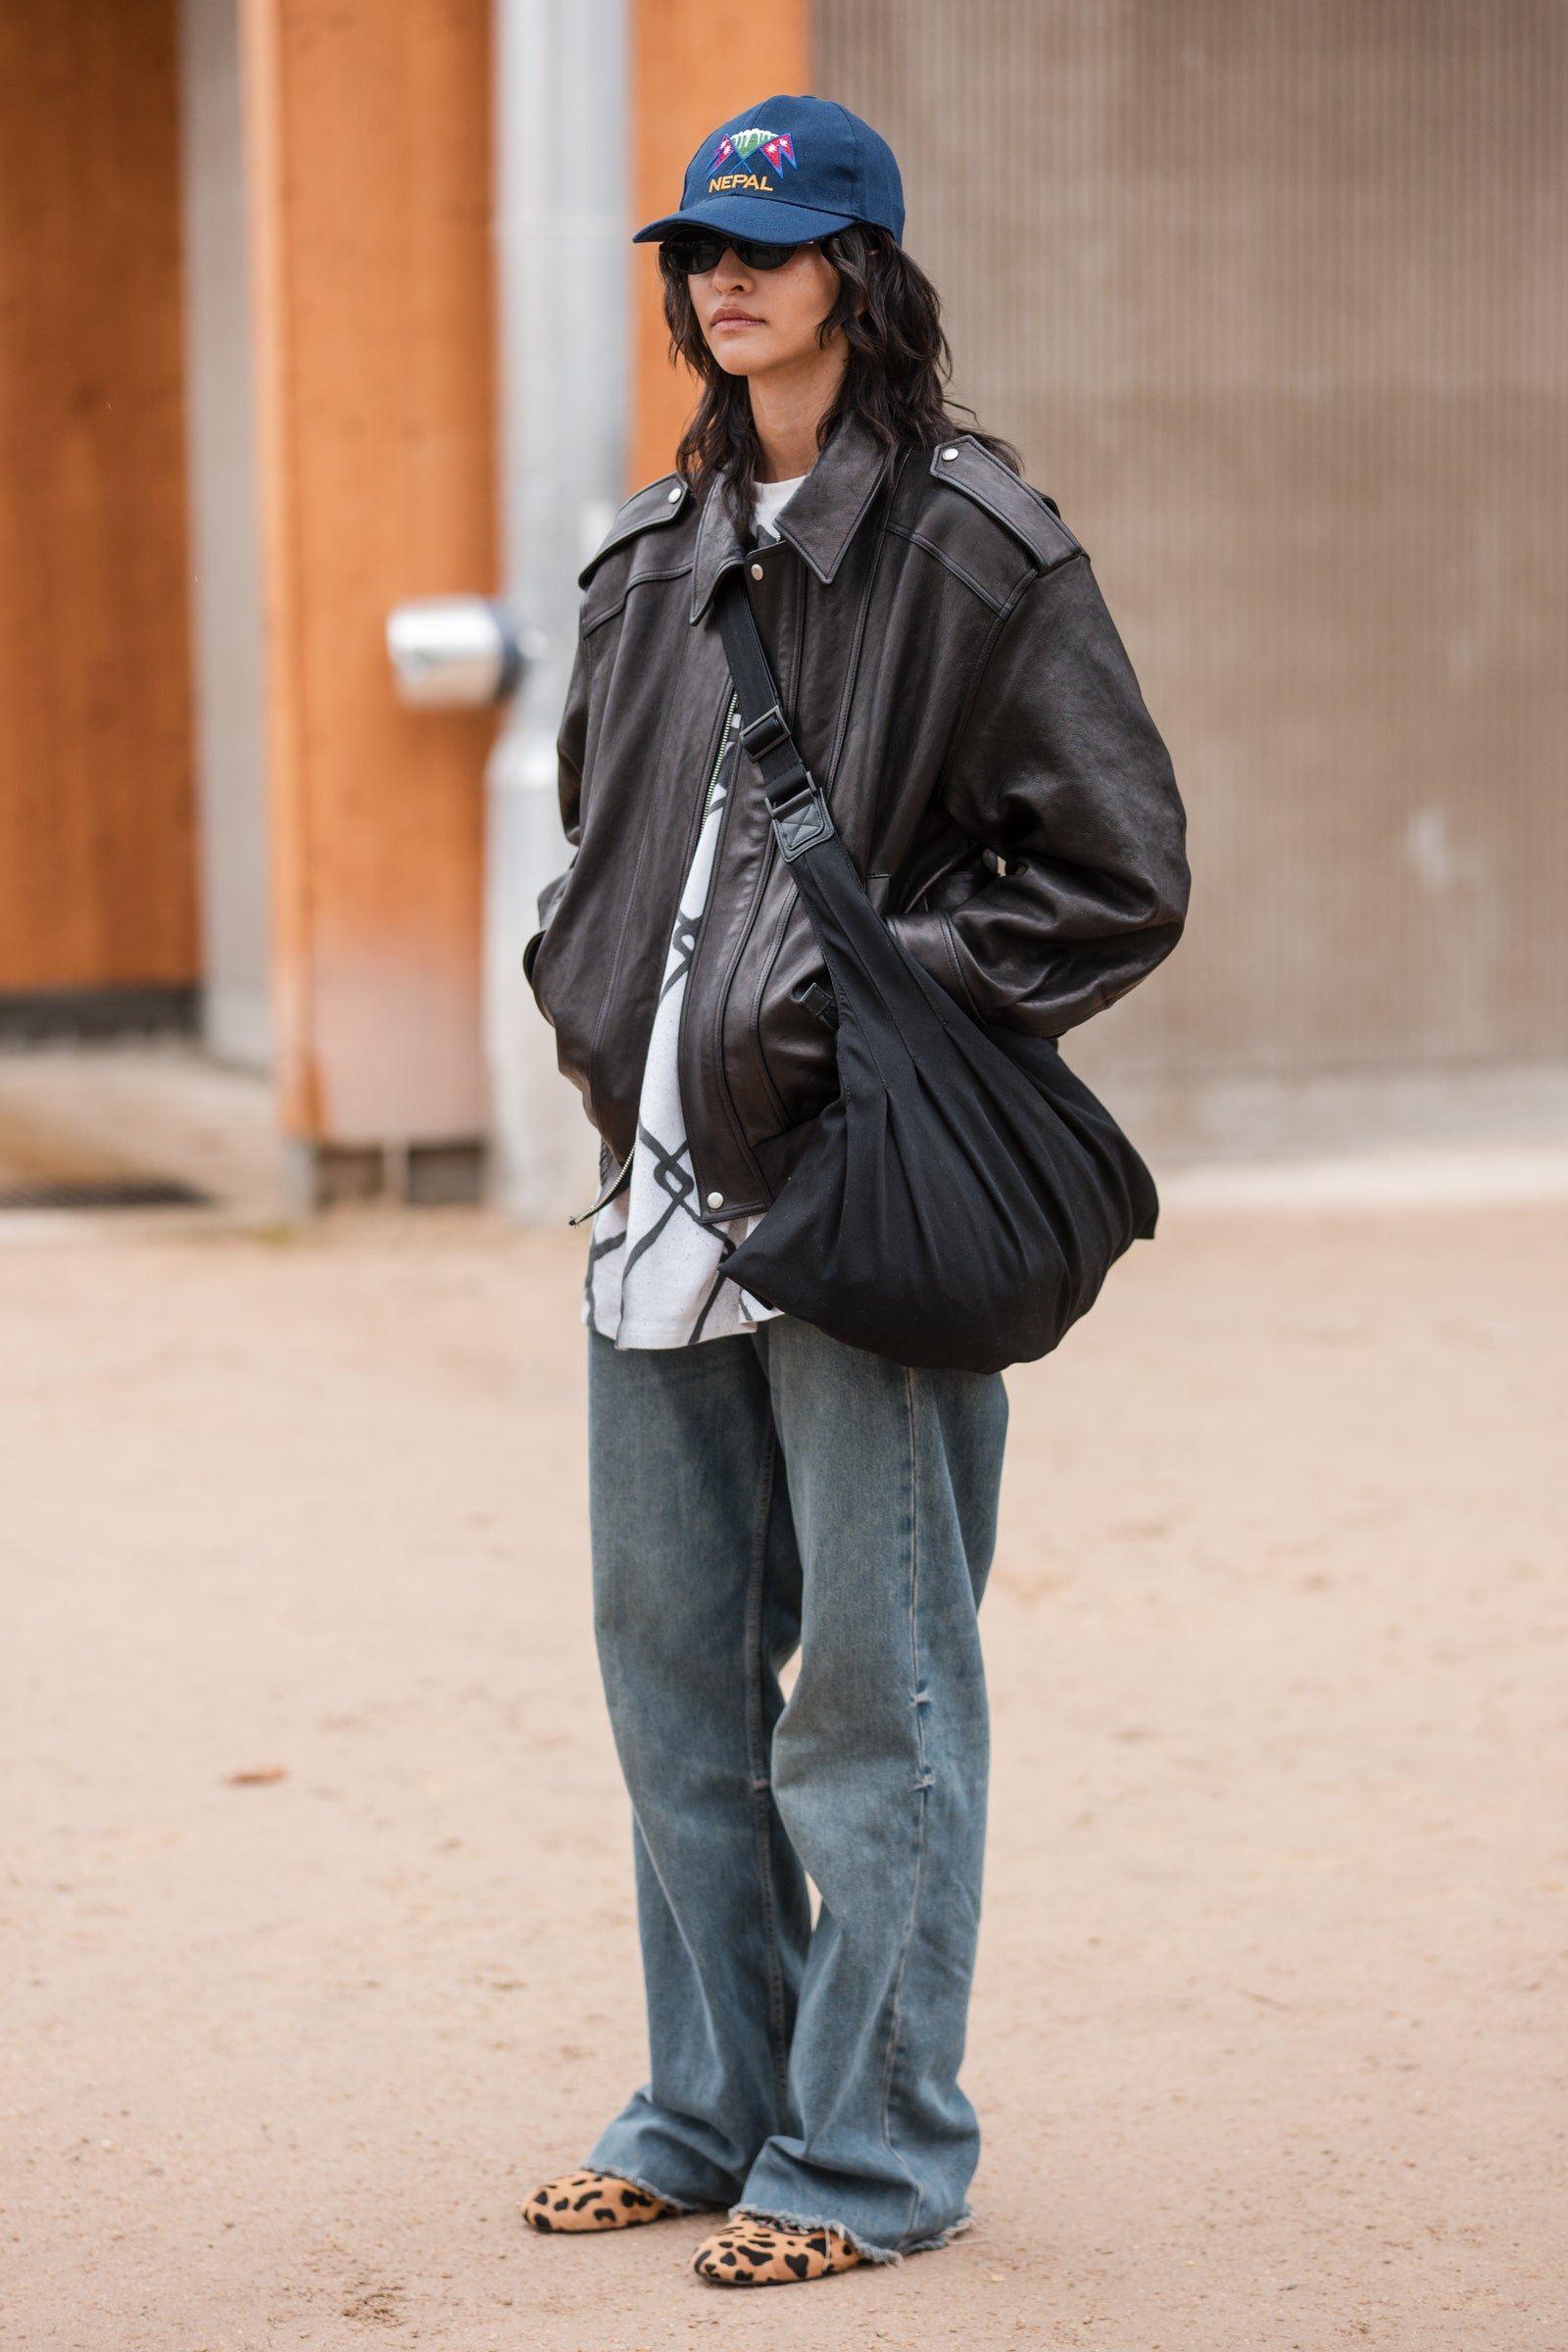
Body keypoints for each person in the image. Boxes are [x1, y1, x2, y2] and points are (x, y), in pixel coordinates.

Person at [520, 94, 1189, 2288]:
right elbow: (603, 848)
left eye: (778, 245)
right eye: (703, 246)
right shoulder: (646, 560)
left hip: (857, 1193)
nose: (731, 275)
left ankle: (872, 2152)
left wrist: (842, 1007)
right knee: (670, 1680)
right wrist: (600, 1002)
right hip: (659, 1202)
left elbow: (1109, 876)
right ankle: (710, 2107)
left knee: (871, 1693)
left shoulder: (979, 545)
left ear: (859, 278)